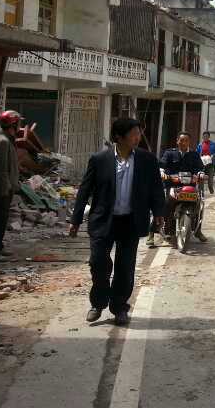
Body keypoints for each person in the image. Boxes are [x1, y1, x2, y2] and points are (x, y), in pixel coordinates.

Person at [68, 118, 164, 326]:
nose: (138, 138)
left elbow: (156, 188)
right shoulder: (99, 159)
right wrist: (75, 220)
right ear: (119, 137)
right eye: (134, 134)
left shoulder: (147, 160)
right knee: (98, 263)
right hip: (103, 221)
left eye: (139, 134)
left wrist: (158, 213)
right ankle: (98, 302)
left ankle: (119, 307)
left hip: (131, 220)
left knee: (126, 266)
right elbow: (84, 190)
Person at [151, 131, 206, 246]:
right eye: (181, 140)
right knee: (165, 203)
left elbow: (200, 168)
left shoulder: (194, 155)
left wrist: (200, 174)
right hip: (172, 185)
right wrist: (162, 172)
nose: (183, 142)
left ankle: (197, 230)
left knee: (199, 204)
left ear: (189, 142)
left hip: (189, 186)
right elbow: (162, 165)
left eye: (186, 140)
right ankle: (158, 230)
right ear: (177, 141)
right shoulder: (169, 153)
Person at [0, 111, 22, 260]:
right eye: (18, 122)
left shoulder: (7, 139)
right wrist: (5, 188)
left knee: (0, 220)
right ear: (13, 124)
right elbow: (0, 169)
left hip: (2, 189)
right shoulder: (2, 141)